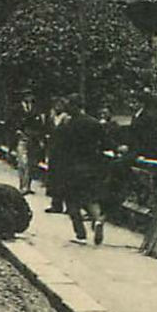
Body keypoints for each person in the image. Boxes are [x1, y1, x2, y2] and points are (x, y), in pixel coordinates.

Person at [48, 98, 110, 245]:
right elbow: (106, 143)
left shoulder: (67, 124)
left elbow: (58, 145)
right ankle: (97, 220)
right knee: (90, 198)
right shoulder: (95, 123)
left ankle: (80, 234)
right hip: (91, 166)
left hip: (71, 167)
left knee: (71, 202)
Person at [16, 98, 47, 196]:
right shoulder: (18, 108)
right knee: (22, 163)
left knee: (31, 163)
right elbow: (14, 121)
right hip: (23, 138)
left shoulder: (36, 111)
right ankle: (22, 186)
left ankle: (27, 186)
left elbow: (40, 126)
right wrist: (18, 131)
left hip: (34, 140)